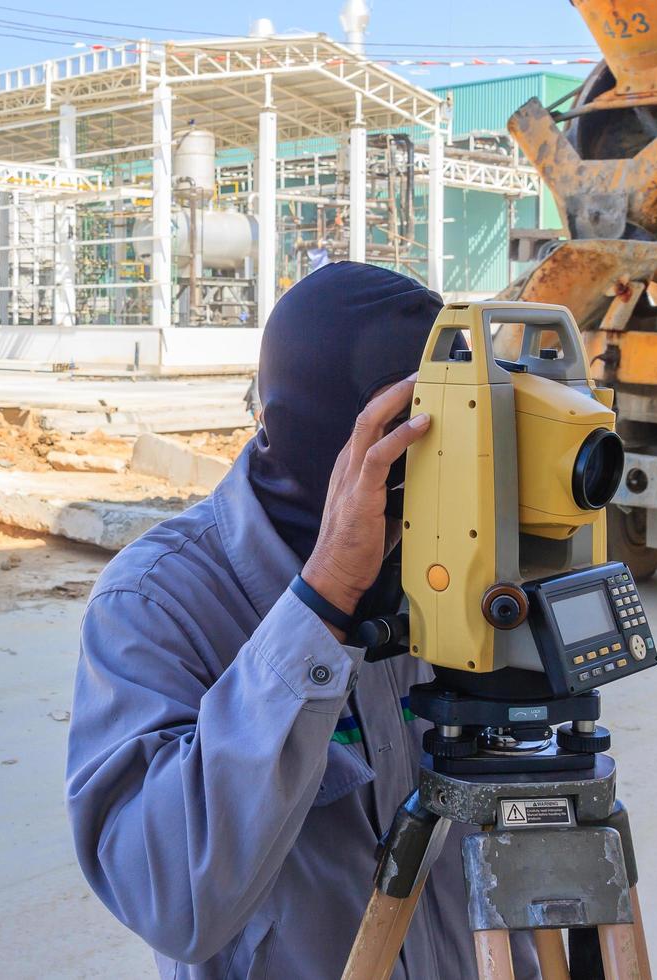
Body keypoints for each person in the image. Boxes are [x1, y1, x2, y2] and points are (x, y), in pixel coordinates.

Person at [66, 262, 537, 978]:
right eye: (406, 427)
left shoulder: (451, 564)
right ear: (310, 432)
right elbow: (169, 902)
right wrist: (321, 607)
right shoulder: (156, 603)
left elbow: (521, 819)